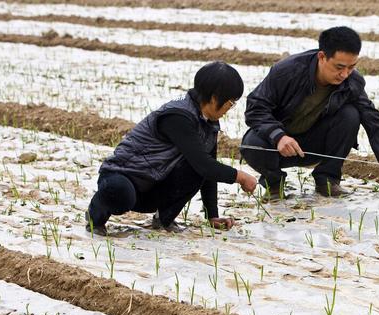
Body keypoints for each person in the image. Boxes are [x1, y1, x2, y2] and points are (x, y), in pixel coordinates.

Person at [240, 26, 379, 199]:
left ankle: (327, 180)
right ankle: (274, 184)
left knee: (350, 114)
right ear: (322, 57)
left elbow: (374, 122)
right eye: (339, 67)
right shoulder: (288, 71)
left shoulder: (352, 82)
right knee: (251, 144)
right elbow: (256, 107)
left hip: (313, 145)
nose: (345, 74)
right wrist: (278, 136)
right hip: (277, 145)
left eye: (351, 67)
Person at [86, 62, 257, 236]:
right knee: (121, 193)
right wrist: (240, 177)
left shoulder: (208, 123)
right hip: (123, 178)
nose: (230, 108)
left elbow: (208, 169)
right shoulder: (178, 116)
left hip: (153, 185)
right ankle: (95, 215)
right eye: (231, 102)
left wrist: (212, 215)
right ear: (214, 98)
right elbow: (204, 165)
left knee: (196, 168)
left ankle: (164, 218)